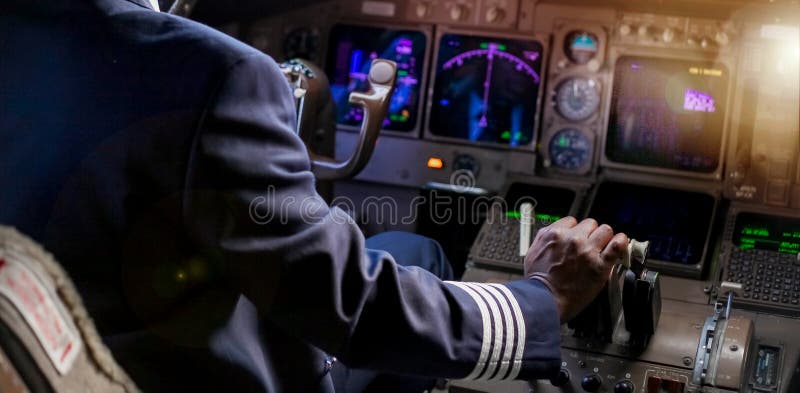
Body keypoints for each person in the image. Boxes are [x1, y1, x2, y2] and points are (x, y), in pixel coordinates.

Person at [0, 0, 629, 392]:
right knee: (425, 252)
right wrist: (539, 301)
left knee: (404, 244)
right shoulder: (215, 73)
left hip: (77, 353)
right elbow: (353, 308)